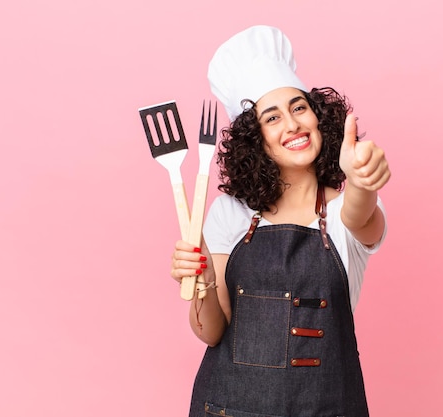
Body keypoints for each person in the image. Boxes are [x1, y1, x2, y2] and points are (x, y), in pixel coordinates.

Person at [170, 25, 390, 417]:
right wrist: (202, 282)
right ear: (255, 139)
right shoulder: (229, 212)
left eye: (299, 107)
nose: (292, 124)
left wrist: (361, 180)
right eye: (272, 118)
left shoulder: (344, 214)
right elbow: (212, 331)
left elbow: (362, 212)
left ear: (319, 117)